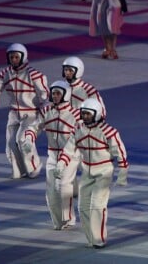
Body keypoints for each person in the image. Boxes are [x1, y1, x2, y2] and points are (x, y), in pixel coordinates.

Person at [55, 98, 128, 248]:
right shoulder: (78, 130)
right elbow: (69, 149)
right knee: (83, 207)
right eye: (83, 113)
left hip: (104, 171)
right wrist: (61, 164)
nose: (85, 116)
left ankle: (99, 239)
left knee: (97, 206)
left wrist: (122, 174)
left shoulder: (108, 132)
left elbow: (120, 153)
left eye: (88, 114)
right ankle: (91, 239)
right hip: (87, 171)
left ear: (98, 114)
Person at [0, 43, 49, 179]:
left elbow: (45, 96)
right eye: (11, 57)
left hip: (31, 113)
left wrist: (46, 116)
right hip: (14, 114)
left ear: (23, 57)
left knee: (23, 139)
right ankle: (19, 169)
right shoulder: (6, 73)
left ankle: (34, 166)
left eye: (16, 57)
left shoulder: (34, 75)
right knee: (11, 142)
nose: (13, 59)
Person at [25, 80, 81, 230]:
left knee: (61, 185)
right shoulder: (46, 111)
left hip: (71, 156)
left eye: (58, 93)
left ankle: (68, 218)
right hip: (52, 156)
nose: (54, 96)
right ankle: (59, 222)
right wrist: (29, 139)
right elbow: (35, 126)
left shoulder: (75, 114)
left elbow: (80, 138)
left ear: (66, 95)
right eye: (53, 93)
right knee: (51, 192)